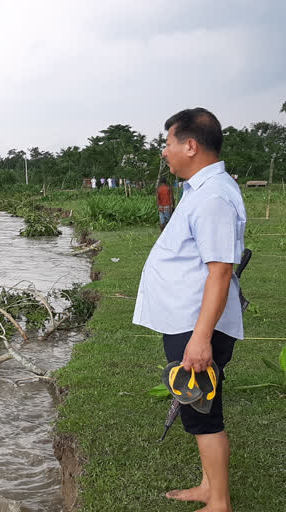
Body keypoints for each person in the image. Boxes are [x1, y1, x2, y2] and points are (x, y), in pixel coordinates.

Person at [133, 108, 245, 512]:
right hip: (190, 318)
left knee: (202, 413)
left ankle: (219, 502)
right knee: (200, 405)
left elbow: (219, 272)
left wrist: (200, 339)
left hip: (198, 323)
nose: (165, 152)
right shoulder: (200, 188)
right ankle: (208, 485)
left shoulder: (213, 196)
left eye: (168, 144)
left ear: (191, 145)